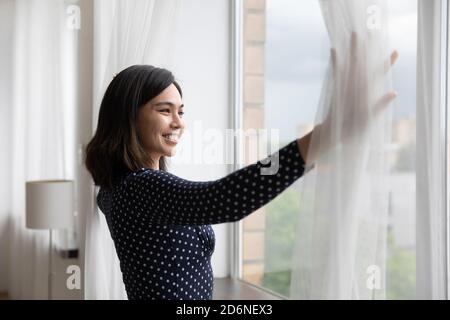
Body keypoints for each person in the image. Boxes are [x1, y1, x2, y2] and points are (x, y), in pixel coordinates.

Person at [85, 42, 397, 300]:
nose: (178, 122)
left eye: (181, 111)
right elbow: (221, 199)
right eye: (164, 110)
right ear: (128, 117)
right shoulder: (137, 188)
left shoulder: (123, 187)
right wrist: (324, 135)